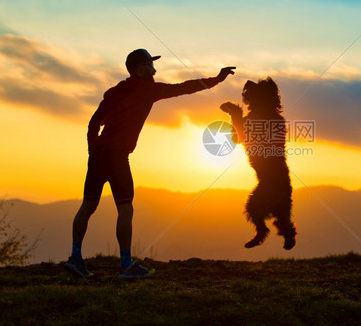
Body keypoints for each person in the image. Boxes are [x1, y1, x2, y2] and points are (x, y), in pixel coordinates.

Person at [64, 49, 235, 278]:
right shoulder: (148, 90)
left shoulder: (113, 92)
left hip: (98, 154)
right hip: (116, 156)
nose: (155, 70)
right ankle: (126, 265)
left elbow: (94, 123)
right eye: (151, 65)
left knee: (87, 206)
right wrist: (217, 79)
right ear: (141, 68)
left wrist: (92, 151)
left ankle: (75, 258)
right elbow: (184, 87)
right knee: (125, 209)